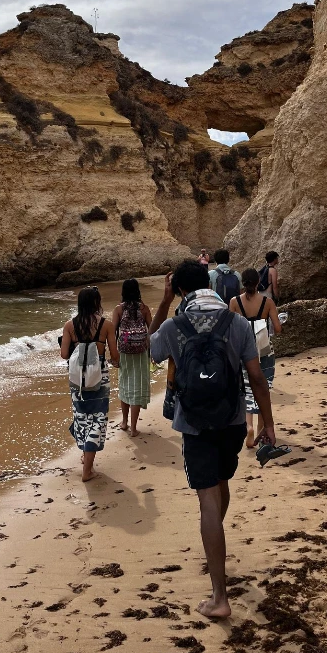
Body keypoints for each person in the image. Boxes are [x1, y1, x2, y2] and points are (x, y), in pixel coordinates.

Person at [149, 260, 275, 619]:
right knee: (221, 485)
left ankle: (220, 597)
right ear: (208, 283)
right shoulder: (235, 322)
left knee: (207, 502)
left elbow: (149, 351)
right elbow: (256, 377)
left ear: (180, 289)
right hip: (233, 421)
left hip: (195, 425)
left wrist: (162, 302)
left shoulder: (175, 325)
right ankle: (215, 544)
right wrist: (268, 424)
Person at [60, 286, 119, 482]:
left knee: (81, 417)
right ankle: (88, 469)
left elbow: (63, 354)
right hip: (99, 376)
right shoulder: (106, 325)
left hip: (77, 378)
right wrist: (114, 362)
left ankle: (86, 456)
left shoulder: (70, 325)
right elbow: (114, 354)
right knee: (98, 418)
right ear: (97, 303)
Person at [229, 268, 282, 449]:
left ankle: (248, 427)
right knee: (263, 387)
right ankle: (261, 429)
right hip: (264, 350)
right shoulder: (267, 302)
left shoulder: (234, 302)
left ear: (242, 282)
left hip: (243, 351)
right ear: (259, 280)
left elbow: (230, 328)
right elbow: (277, 327)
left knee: (246, 388)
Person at [112, 279, 152, 437]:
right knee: (137, 386)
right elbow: (152, 330)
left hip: (125, 351)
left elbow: (113, 332)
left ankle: (124, 422)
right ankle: (134, 428)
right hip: (141, 351)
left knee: (125, 383)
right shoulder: (144, 308)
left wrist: (113, 354)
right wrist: (151, 350)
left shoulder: (118, 309)